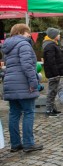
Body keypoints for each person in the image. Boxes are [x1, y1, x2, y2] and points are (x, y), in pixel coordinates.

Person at [2, 23, 43, 152]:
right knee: (28, 112)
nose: (29, 35)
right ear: (21, 32)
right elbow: (28, 66)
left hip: (10, 83)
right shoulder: (24, 44)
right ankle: (28, 143)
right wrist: (33, 83)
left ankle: (15, 144)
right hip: (23, 83)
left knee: (14, 114)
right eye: (27, 32)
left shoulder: (7, 46)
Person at [42, 27, 63, 117]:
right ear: (53, 36)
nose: (59, 35)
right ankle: (48, 110)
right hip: (53, 73)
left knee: (54, 91)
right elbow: (51, 61)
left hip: (55, 72)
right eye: (58, 34)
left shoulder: (53, 44)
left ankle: (53, 108)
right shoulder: (50, 46)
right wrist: (56, 73)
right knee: (51, 91)